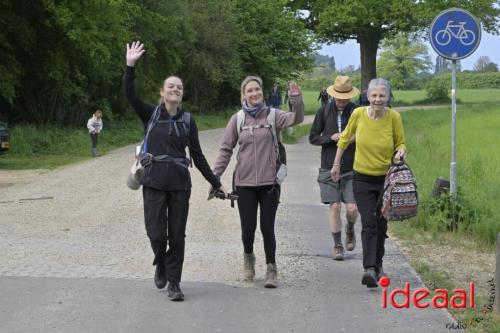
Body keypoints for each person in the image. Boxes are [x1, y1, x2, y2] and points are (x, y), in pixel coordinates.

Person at [123, 41, 226, 301]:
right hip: (154, 182)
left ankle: (174, 283)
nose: (175, 89)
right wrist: (130, 65)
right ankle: (160, 261)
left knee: (177, 235)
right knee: (155, 233)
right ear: (162, 92)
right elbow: (130, 94)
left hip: (180, 184)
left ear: (181, 94)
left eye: (179, 87)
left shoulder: (188, 121)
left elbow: (198, 155)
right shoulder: (150, 114)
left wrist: (215, 182)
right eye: (171, 86)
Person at [212, 76, 304, 288]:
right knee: (248, 228)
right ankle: (248, 259)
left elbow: (296, 118)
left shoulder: (273, 116)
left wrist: (296, 99)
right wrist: (214, 177)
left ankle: (271, 268)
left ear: (262, 92)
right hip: (244, 184)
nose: (254, 94)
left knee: (267, 227)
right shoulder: (237, 120)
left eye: (257, 90)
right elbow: (225, 150)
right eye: (249, 91)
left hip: (269, 182)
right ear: (243, 95)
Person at [331, 78, 406, 288]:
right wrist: (336, 164)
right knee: (370, 221)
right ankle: (369, 269)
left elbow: (400, 142)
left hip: (386, 179)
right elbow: (344, 139)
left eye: (382, 95)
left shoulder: (394, 117)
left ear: (388, 97)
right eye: (374, 95)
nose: (378, 99)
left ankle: (378, 265)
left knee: (381, 224)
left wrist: (401, 151)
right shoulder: (358, 114)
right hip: (362, 178)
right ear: (367, 96)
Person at [309, 76, 359, 261]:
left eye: (345, 97)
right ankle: (337, 245)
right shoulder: (323, 111)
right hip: (328, 167)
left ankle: (350, 229)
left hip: (352, 167)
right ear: (332, 94)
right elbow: (313, 137)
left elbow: (365, 134)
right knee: (335, 206)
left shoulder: (357, 111)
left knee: (352, 209)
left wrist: (350, 138)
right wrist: (331, 137)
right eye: (338, 96)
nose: (341, 100)